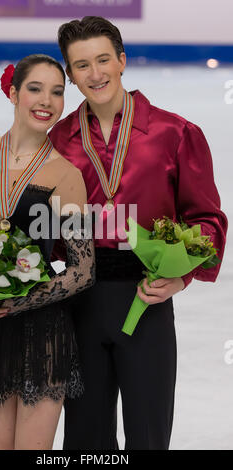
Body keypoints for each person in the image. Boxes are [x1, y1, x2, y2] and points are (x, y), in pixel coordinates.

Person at [49, 16, 228, 450]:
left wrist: (180, 276)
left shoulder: (176, 133)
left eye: (104, 59)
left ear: (123, 60)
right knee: (85, 440)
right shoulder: (58, 140)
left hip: (147, 299)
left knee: (149, 435)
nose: (96, 74)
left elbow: (205, 218)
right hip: (80, 303)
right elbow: (45, 229)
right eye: (82, 65)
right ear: (70, 76)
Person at [0, 54, 95, 450]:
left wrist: (16, 302)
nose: (47, 101)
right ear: (13, 93)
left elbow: (83, 269)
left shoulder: (66, 175)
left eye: (57, 92)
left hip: (43, 331)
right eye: (35, 89)